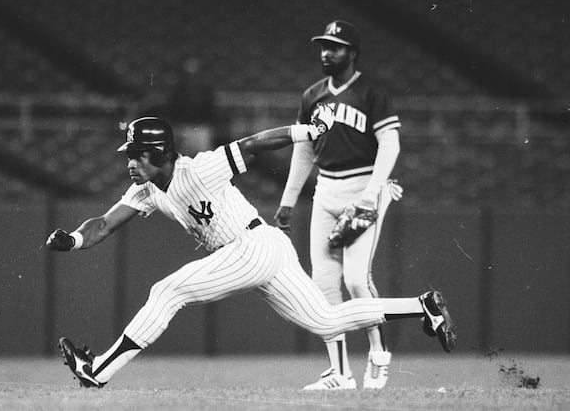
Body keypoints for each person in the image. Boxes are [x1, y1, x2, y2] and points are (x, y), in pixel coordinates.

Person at [45, 113, 456, 389]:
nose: (130, 162)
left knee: (167, 291)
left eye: (137, 154)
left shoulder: (198, 168)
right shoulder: (146, 190)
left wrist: (306, 131)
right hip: (259, 249)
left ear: (161, 154)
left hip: (252, 244)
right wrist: (74, 240)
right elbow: (103, 223)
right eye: (129, 155)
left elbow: (255, 143)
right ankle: (424, 307)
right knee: (326, 322)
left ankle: (97, 371)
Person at [274, 20, 403, 390]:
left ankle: (379, 356)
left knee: (356, 279)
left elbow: (390, 145)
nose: (326, 52)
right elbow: (303, 150)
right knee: (324, 285)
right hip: (326, 191)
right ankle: (341, 373)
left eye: (336, 46)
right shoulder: (312, 95)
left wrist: (371, 193)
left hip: (364, 186)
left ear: (352, 52)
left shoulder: (371, 92)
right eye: (323, 45)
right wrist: (288, 201)